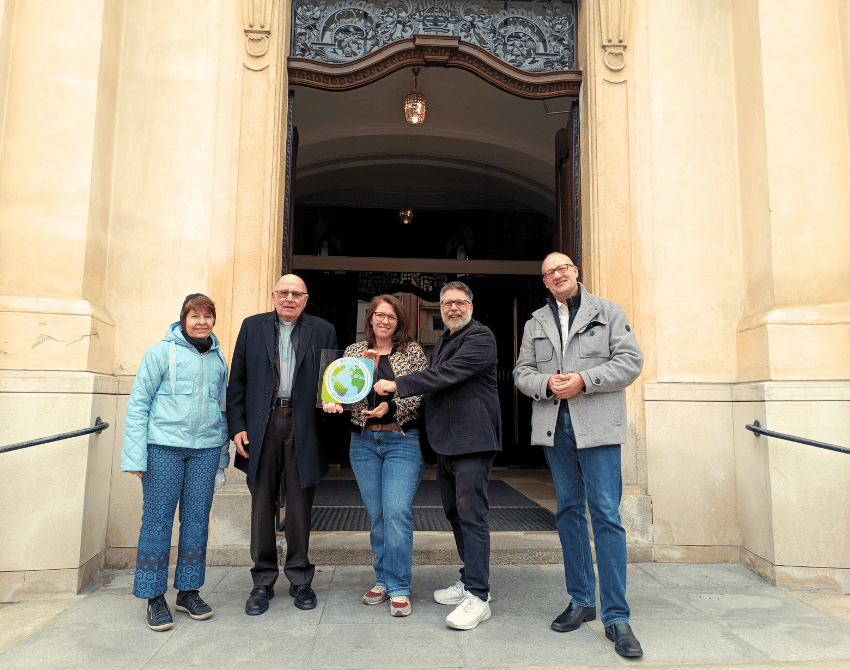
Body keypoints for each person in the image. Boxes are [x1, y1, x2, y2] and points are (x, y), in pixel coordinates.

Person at [513, 252, 644, 658]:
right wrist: (546, 384)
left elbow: (631, 362)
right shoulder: (535, 320)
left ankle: (616, 615)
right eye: (549, 272)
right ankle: (582, 599)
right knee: (568, 511)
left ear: (576, 271)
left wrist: (584, 380)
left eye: (562, 268)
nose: (557, 275)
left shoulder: (608, 311)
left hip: (598, 427)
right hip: (556, 428)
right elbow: (521, 373)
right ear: (545, 281)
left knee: (605, 513)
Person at [373, 281, 500, 630]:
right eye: (447, 304)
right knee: (455, 513)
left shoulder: (481, 337)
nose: (453, 309)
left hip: (472, 442)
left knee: (472, 515)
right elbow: (437, 388)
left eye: (459, 303)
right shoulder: (444, 339)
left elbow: (446, 375)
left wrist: (400, 385)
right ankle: (469, 578)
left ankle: (479, 595)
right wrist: (396, 407)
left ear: (471, 306)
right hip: (446, 442)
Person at [226, 274, 337, 615]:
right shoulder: (251, 326)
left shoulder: (324, 329)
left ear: (306, 298)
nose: (289, 298)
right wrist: (237, 428)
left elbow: (330, 378)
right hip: (262, 425)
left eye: (296, 293)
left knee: (301, 505)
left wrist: (334, 400)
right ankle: (262, 581)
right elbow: (238, 381)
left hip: (304, 425)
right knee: (261, 505)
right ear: (273, 295)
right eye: (284, 292)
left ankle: (300, 579)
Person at [122, 294, 231, 632]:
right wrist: (136, 456)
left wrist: (222, 458)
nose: (201, 322)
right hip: (164, 449)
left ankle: (188, 591)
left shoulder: (218, 358)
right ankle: (154, 596)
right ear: (183, 319)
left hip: (206, 450)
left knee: (197, 521)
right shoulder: (160, 352)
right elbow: (139, 403)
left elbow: (223, 408)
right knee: (157, 523)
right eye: (194, 315)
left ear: (214, 320)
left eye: (207, 316)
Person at [323, 295, 428, 617]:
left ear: (399, 322)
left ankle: (398, 586)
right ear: (370, 319)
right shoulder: (354, 353)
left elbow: (421, 391)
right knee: (378, 515)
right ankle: (382, 579)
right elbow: (345, 393)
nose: (384, 321)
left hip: (400, 440)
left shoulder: (411, 352)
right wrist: (334, 402)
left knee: (397, 512)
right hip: (364, 443)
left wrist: (391, 405)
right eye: (379, 315)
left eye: (391, 317)